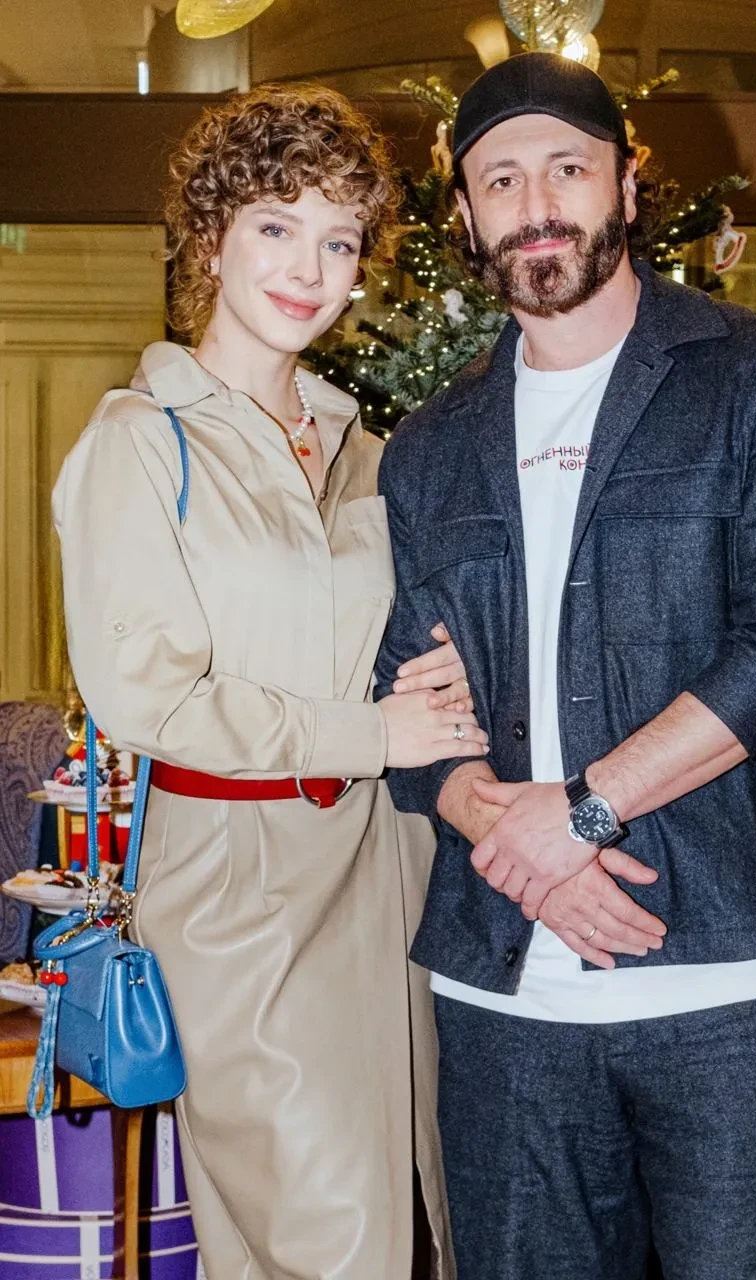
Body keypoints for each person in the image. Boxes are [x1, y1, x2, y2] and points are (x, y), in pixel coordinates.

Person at [375, 52, 756, 1280]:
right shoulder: (427, 446)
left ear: (626, 185)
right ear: (465, 215)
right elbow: (404, 699)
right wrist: (505, 828)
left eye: (567, 167)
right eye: (500, 178)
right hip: (503, 999)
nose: (535, 202)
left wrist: (583, 811)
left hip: (724, 981)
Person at [52, 84, 487, 1280]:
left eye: (339, 239)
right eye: (277, 225)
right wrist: (373, 733)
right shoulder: (140, 441)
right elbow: (145, 694)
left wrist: (445, 668)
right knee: (328, 1242)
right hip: (236, 884)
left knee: (415, 1229)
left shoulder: (368, 449)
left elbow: (396, 643)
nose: (309, 267)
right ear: (210, 237)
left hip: (391, 870)